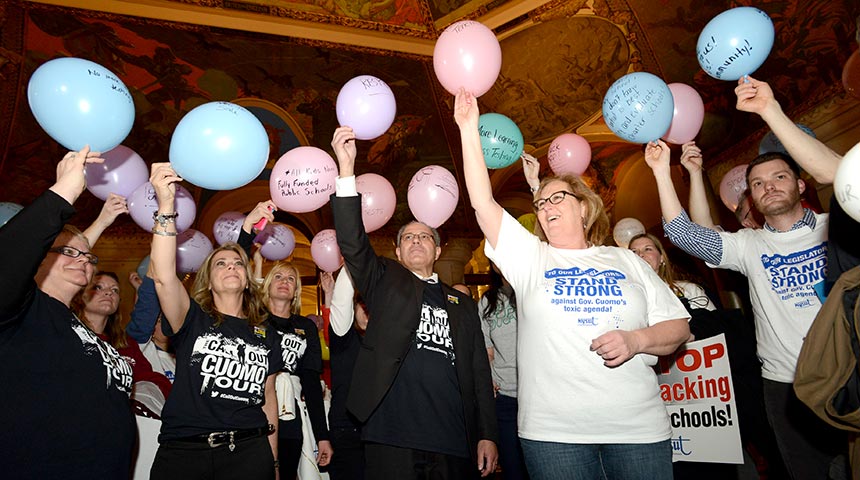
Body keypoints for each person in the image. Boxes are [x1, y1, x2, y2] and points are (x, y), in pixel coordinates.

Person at [454, 89, 690, 480]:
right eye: (540, 204)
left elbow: (678, 328)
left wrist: (636, 341)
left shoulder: (626, 259)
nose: (545, 208)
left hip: (638, 429)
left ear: (583, 206)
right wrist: (466, 128)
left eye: (555, 198)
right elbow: (483, 203)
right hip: (554, 436)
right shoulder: (531, 258)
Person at [647, 76, 846, 479]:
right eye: (757, 184)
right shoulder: (750, 245)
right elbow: (685, 233)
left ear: (800, 183)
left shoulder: (836, 227)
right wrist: (661, 173)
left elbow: (843, 176)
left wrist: (770, 109)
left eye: (779, 177)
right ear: (750, 199)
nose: (768, 187)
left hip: (847, 375)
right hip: (783, 387)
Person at [330, 125, 498, 479]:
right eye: (408, 237)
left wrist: (487, 434)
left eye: (425, 236)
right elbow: (352, 243)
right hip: (392, 435)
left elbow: (479, 373)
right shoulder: (385, 282)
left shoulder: (462, 303)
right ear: (397, 251)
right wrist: (346, 173)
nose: (417, 241)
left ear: (438, 250)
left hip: (453, 438)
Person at [0, 146, 135, 479]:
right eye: (69, 252)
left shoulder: (79, 326)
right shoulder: (21, 310)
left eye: (88, 258)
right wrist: (63, 192)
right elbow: (10, 259)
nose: (83, 261)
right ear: (39, 258)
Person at [147, 163, 282, 480]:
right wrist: (166, 208)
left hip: (251, 454)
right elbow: (165, 278)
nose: (231, 267)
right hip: (187, 454)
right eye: (220, 263)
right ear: (208, 279)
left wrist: (274, 463)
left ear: (248, 279)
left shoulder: (265, 334)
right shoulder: (193, 318)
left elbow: (269, 399)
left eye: (238, 263)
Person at [73, 270, 173, 410]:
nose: (109, 293)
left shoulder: (126, 344)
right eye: (98, 287)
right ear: (79, 296)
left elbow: (152, 379)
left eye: (115, 290)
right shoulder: (69, 337)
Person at [479, 266, 528, 480]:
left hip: (540, 396)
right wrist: (488, 377)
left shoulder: (533, 290)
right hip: (505, 399)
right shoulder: (487, 301)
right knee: (513, 468)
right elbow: (487, 351)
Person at [321, 267, 367, 480]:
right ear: (353, 308)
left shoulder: (386, 342)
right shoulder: (343, 339)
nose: (367, 312)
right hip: (346, 430)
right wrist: (352, 256)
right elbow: (341, 300)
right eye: (363, 306)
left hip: (380, 431)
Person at [628, 233, 716, 311]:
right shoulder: (626, 296)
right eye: (634, 251)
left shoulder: (688, 290)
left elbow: (715, 325)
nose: (640, 255)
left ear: (662, 258)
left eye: (647, 249)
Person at [127, 271, 176, 383]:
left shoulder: (181, 356)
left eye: (166, 319)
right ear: (151, 331)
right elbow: (142, 317)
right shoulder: (145, 351)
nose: (165, 323)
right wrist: (140, 290)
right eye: (159, 321)